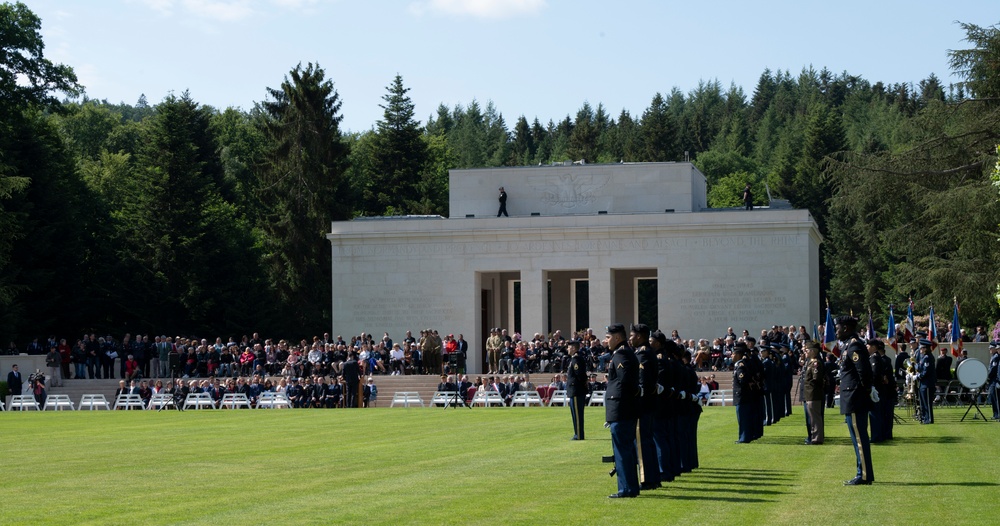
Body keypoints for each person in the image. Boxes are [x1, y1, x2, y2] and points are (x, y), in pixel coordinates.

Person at [835, 316, 874, 485]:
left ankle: (864, 475)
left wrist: (865, 391)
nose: (836, 331)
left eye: (837, 328)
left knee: (859, 439)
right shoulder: (848, 345)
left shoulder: (854, 345)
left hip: (855, 397)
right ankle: (862, 472)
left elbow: (863, 372)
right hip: (851, 396)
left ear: (845, 328)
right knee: (857, 438)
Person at [604, 323, 640, 498]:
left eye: (608, 337)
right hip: (623, 409)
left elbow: (625, 382)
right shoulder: (623, 353)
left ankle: (626, 488)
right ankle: (630, 487)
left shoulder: (622, 354)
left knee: (622, 451)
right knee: (625, 450)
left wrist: (617, 406)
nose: (606, 340)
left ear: (617, 338)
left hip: (621, 409)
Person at [630, 323, 660, 490]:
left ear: (640, 336)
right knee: (648, 442)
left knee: (642, 444)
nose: (630, 338)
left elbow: (642, 382)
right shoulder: (647, 353)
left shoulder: (643, 355)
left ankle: (646, 479)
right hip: (649, 404)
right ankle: (654, 477)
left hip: (643, 405)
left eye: (632, 335)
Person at [802, 343, 825, 444]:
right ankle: (814, 436)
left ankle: (817, 438)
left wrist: (810, 386)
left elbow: (816, 379)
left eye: (807, 350)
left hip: (813, 393)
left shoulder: (816, 363)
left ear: (813, 351)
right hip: (809, 393)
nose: (806, 352)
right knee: (812, 417)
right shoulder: (810, 363)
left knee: (815, 417)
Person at [565, 339, 588, 440]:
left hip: (576, 390)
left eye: (569, 347)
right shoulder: (574, 358)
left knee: (577, 415)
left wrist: (579, 387)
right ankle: (577, 433)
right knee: (575, 414)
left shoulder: (576, 359)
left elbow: (580, 376)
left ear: (574, 348)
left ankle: (579, 434)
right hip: (575, 390)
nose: (567, 349)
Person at [916, 340, 936, 424]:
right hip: (923, 383)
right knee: (923, 402)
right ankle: (924, 418)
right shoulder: (923, 357)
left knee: (927, 402)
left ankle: (929, 419)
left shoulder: (928, 357)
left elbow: (926, 371)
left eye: (922, 348)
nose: (920, 349)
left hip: (927, 383)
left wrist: (918, 376)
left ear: (926, 348)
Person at [987, 342, 999, 420]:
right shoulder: (994, 356)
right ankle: (995, 414)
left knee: (995, 397)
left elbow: (993, 369)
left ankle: (997, 414)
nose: (990, 349)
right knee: (992, 397)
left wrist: (988, 377)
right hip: (992, 379)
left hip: (994, 380)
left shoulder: (996, 357)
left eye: (991, 348)